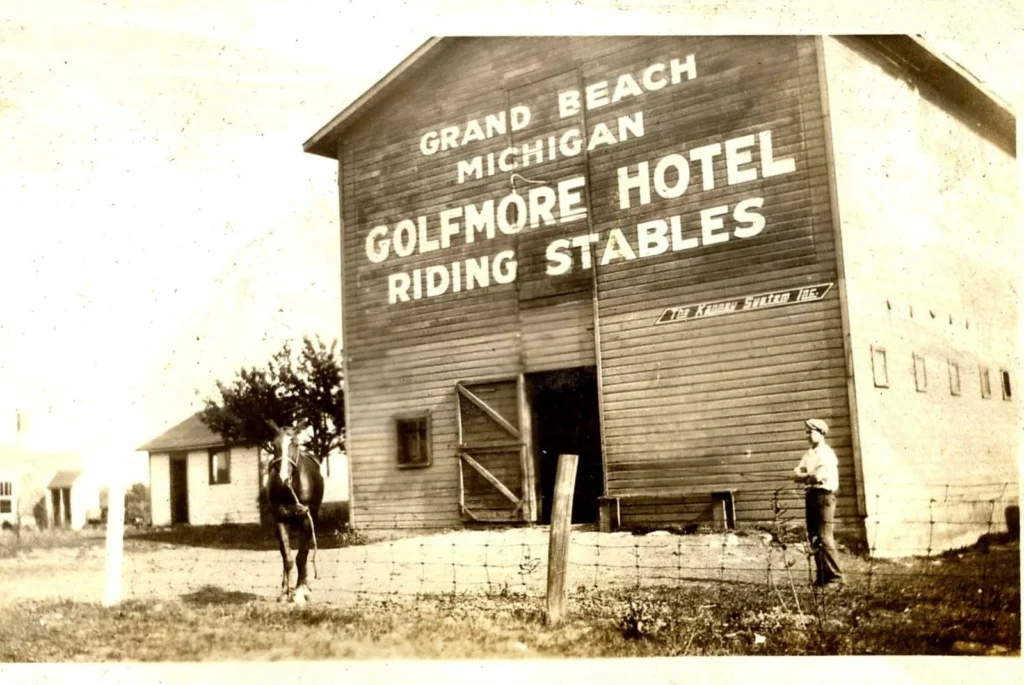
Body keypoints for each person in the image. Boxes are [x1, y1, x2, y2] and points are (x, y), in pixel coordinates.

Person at [793, 418, 843, 587]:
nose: (807, 435)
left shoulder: (826, 454)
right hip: (811, 495)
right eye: (806, 432)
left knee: (824, 536)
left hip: (824, 497)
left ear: (821, 433)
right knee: (814, 537)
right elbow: (796, 475)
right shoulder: (809, 454)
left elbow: (816, 477)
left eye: (810, 432)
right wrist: (806, 476)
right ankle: (822, 577)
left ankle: (836, 577)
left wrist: (806, 476)